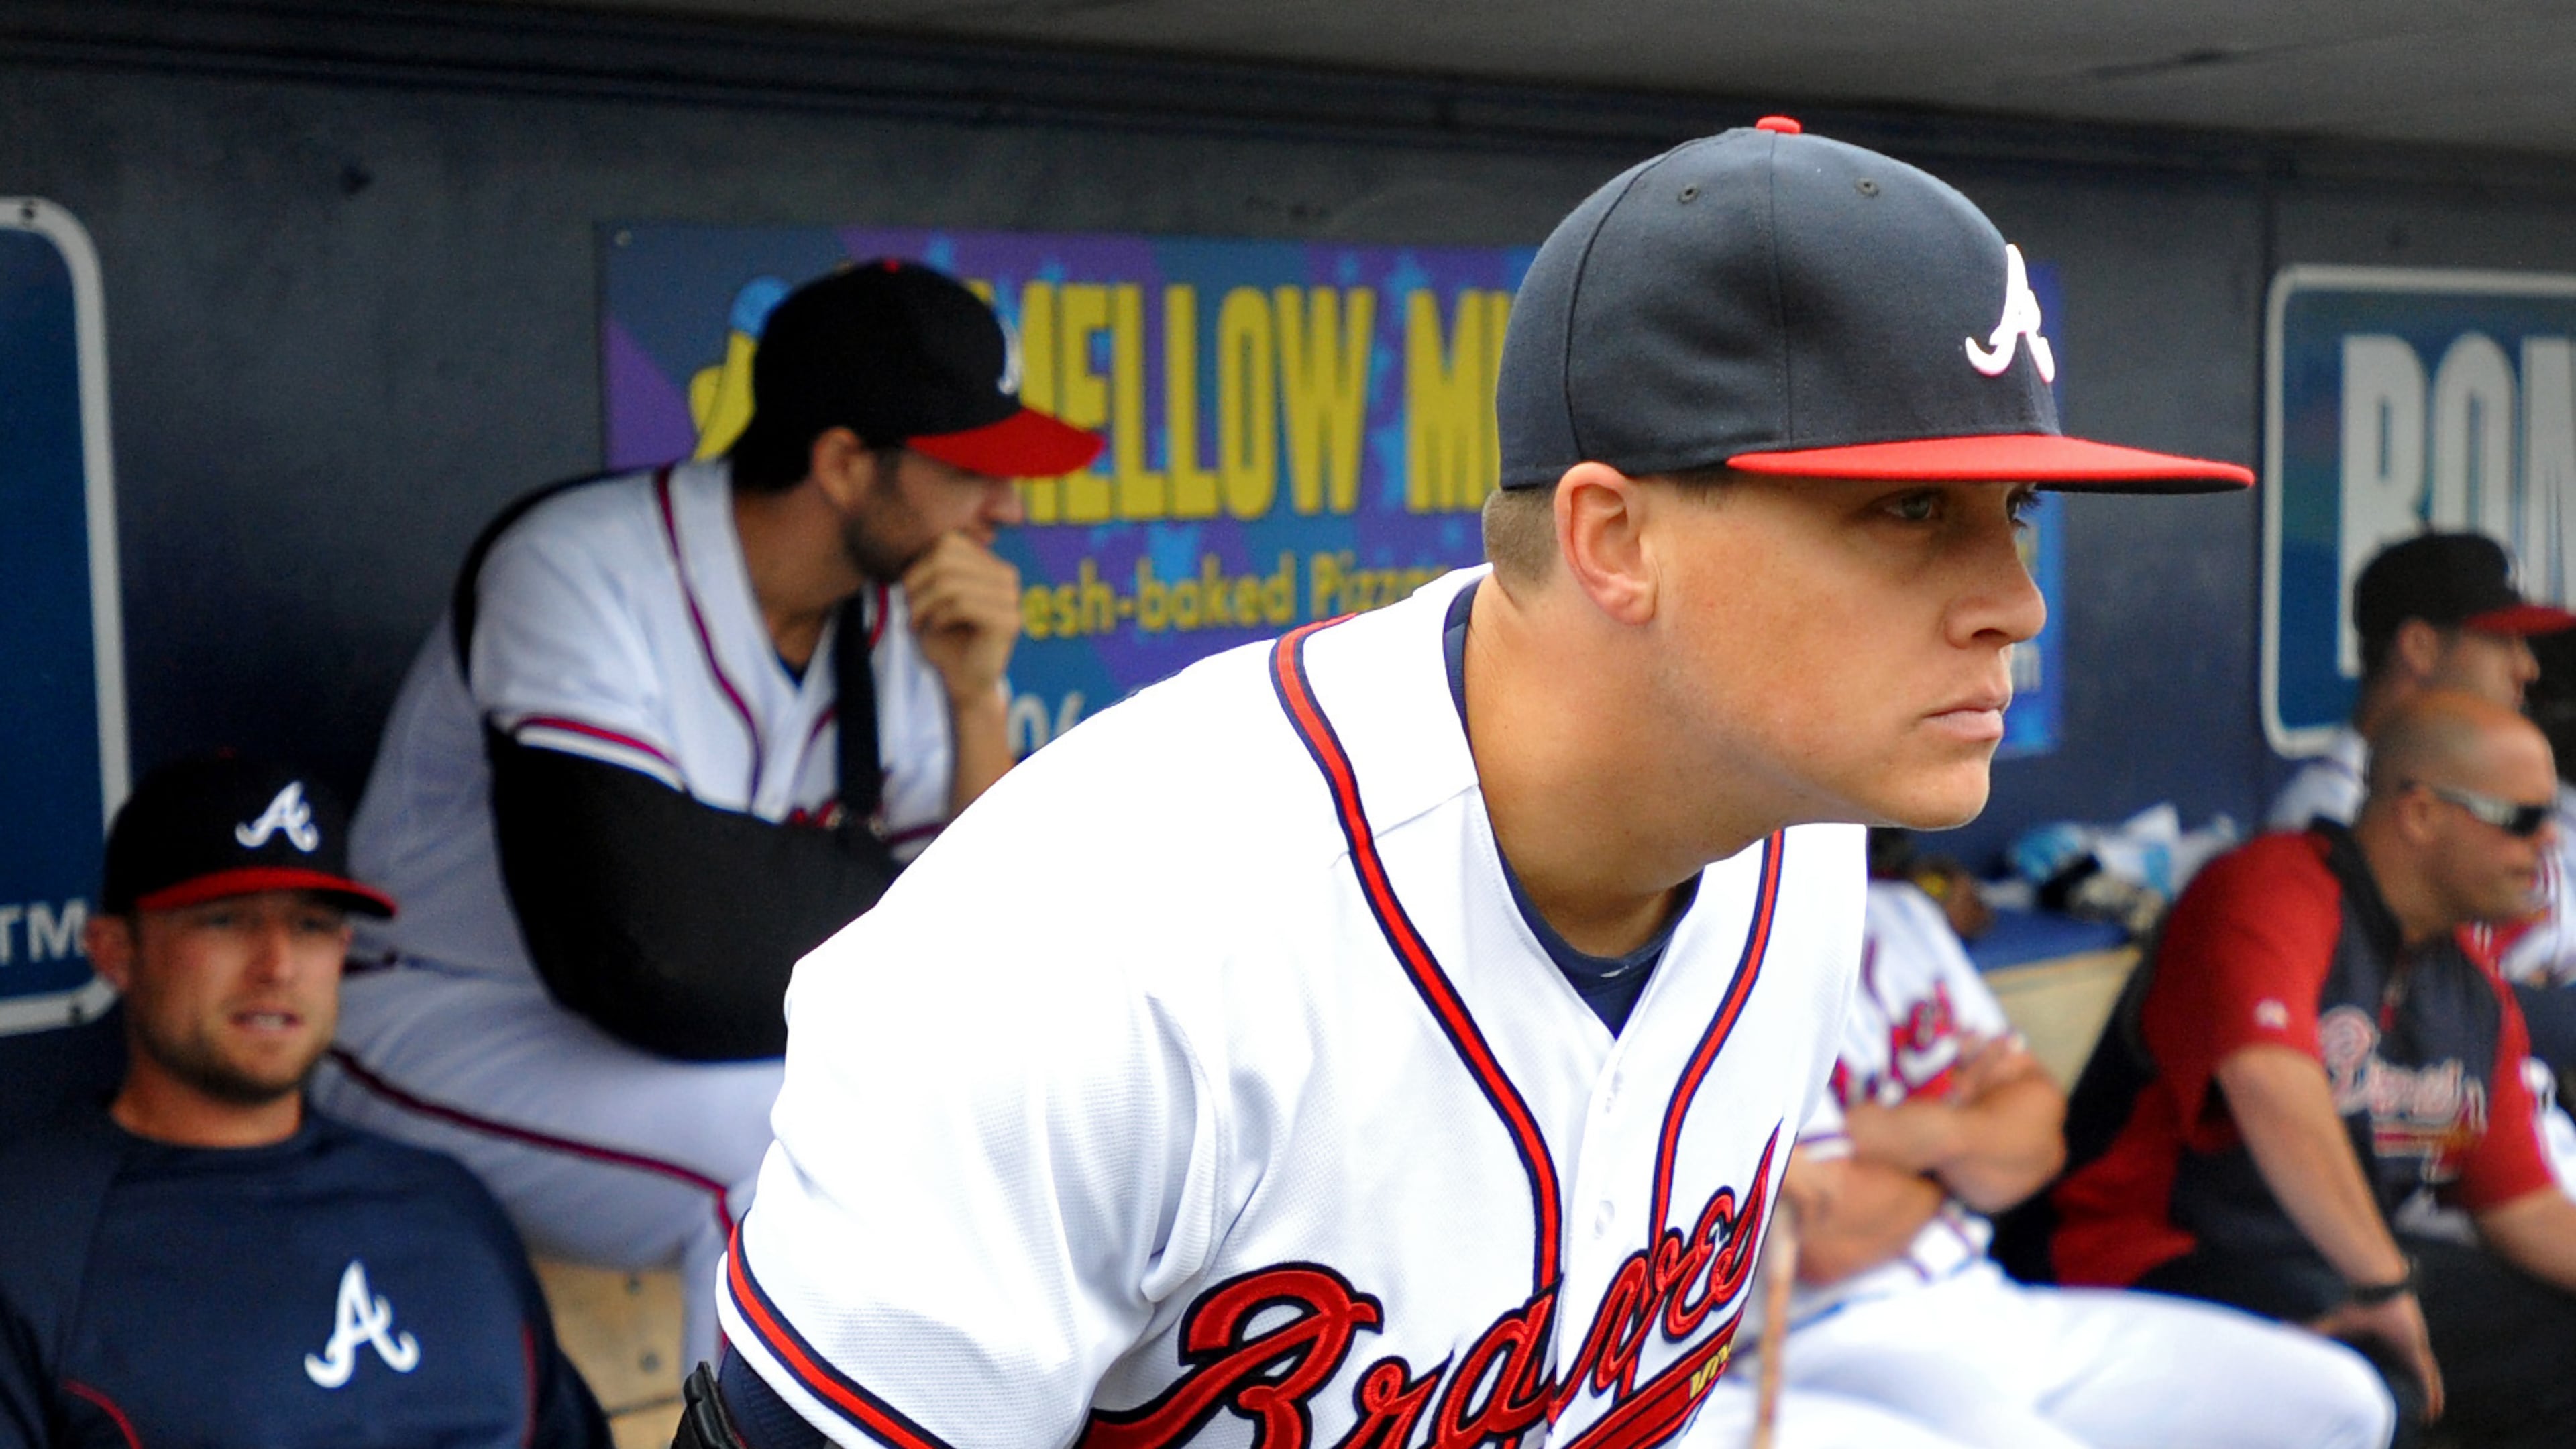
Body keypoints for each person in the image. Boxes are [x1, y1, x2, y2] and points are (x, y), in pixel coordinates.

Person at [682, 117, 2253, 1449]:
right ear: (1611, 536)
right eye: (1908, 515)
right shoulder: (1096, 953)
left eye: (2016, 507)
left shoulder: (1800, 848)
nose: (2014, 599)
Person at [309, 260, 1103, 1366]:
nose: (1007, 506)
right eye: (972, 470)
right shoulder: (582, 570)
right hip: (443, 1022)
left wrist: (976, 700)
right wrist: (871, 923)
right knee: (786, 1156)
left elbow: (984, 945)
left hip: (703, 1046)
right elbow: (648, 954)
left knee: (986, 1128)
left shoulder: (904, 621)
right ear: (841, 463)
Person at [0, 755, 607, 1449]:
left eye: (313, 926)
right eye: (226, 921)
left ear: (345, 949)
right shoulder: (33, 1240)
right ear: (116, 952)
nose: (278, 966)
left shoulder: (448, 1206)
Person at [2049, 692, 2576, 1449]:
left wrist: (2379, 1280)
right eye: (2522, 820)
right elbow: (2270, 1081)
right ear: (2421, 813)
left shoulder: (2472, 982)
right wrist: (2384, 1282)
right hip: (2146, 1261)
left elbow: (2521, 1208)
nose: (2548, 843)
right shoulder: (2268, 888)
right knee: (2373, 1380)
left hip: (2326, 1270)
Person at [1754, 878, 2393, 1449]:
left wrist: (1922, 1137)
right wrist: (1967, 1145)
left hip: (1985, 1300)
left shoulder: (1900, 916)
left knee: (2339, 1405)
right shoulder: (1742, 959)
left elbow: (2039, 1142)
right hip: (1822, 1344)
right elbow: (1821, 1239)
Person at [2267, 531, 2572, 833]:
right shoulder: (2327, 817)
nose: (2529, 669)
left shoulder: (2484, 794)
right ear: (2419, 647)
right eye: (2504, 641)